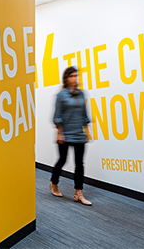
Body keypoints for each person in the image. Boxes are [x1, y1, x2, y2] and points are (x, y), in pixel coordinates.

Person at [49, 66, 92, 206]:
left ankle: (78, 193)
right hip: (65, 134)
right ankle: (53, 183)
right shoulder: (61, 95)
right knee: (62, 160)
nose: (75, 78)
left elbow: (84, 115)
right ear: (66, 78)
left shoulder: (82, 94)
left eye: (76, 75)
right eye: (72, 76)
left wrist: (86, 131)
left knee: (79, 164)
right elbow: (57, 115)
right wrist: (59, 133)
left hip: (78, 133)